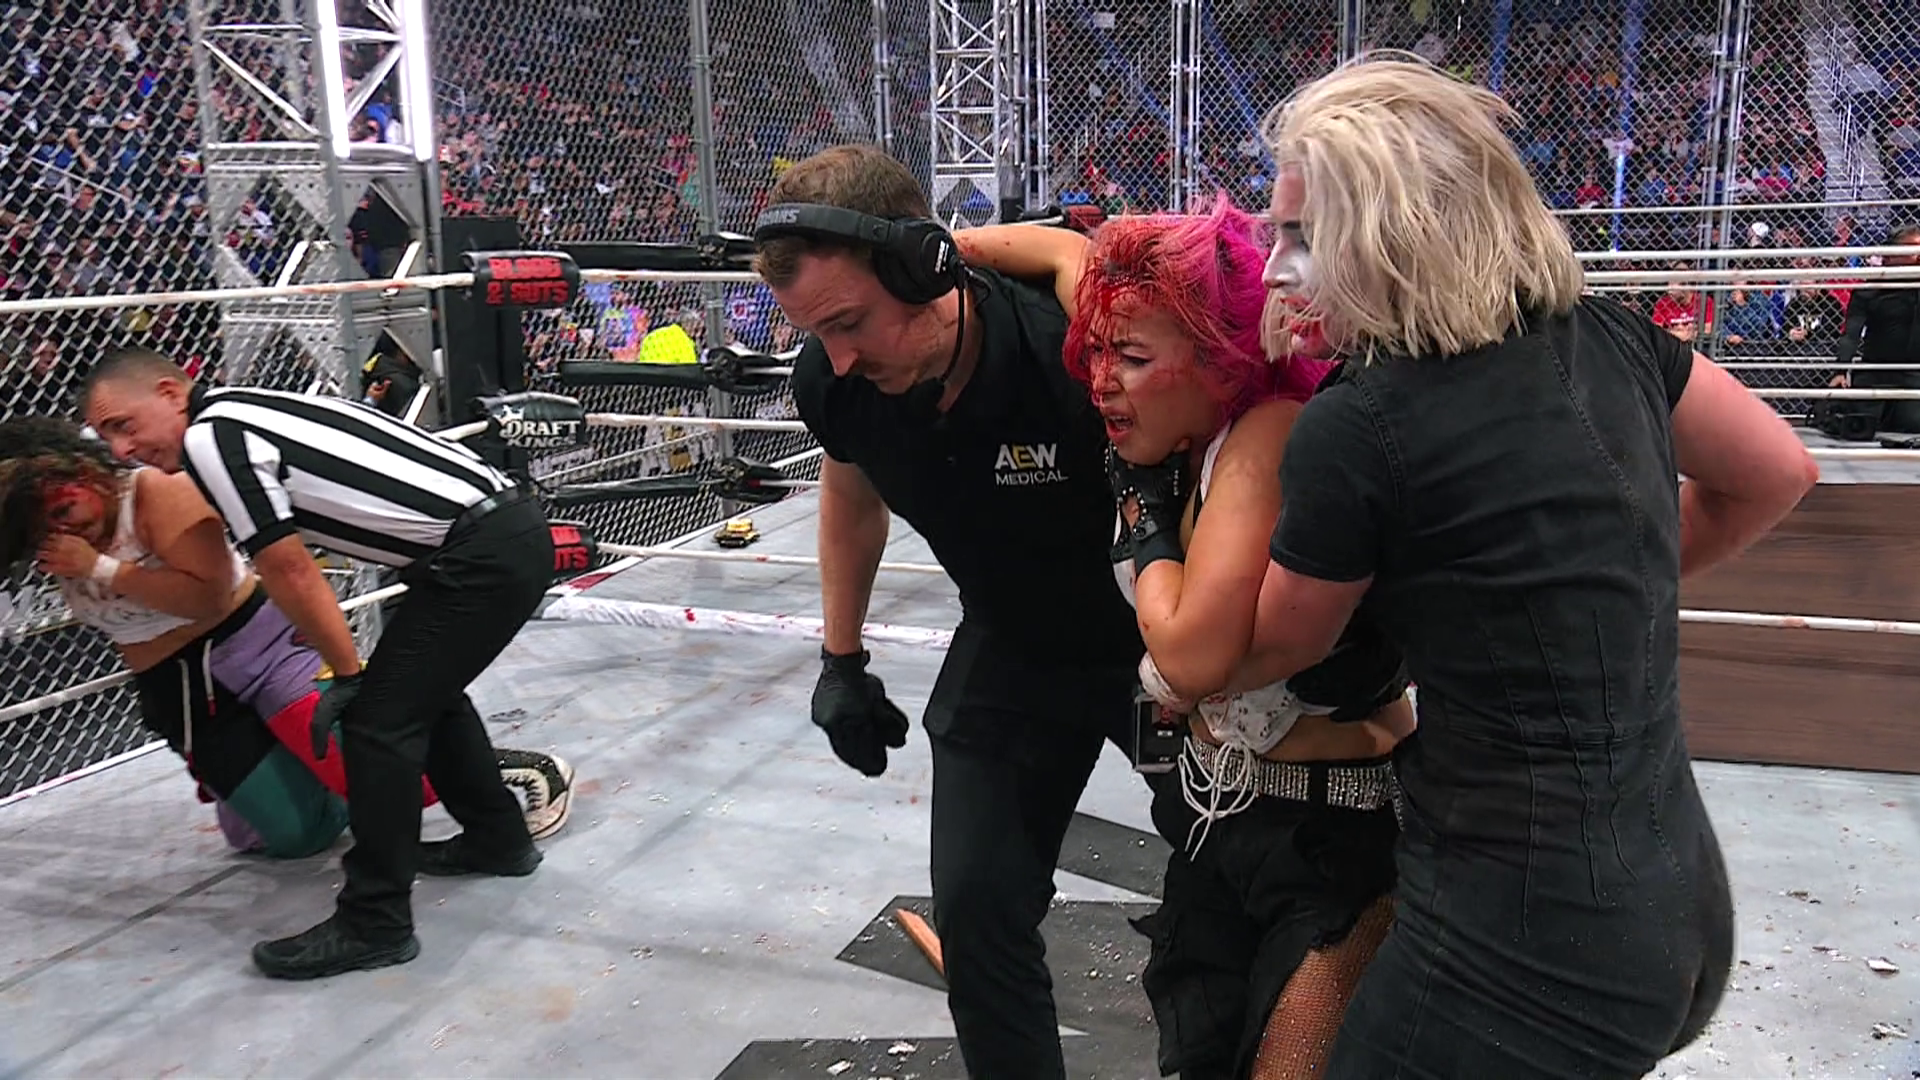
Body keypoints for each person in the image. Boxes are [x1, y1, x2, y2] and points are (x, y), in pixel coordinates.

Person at [1232, 55, 1818, 1078]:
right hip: (1675, 896)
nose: (1276, 269)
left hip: (1523, 944)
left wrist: (1154, 555)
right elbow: (1775, 472)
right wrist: (1587, 595)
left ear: (1398, 232)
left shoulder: (1362, 423)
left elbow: (1277, 645)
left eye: (1303, 237)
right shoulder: (1612, 337)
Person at [956, 201, 1414, 1079]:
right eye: (1094, 351)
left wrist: (1144, 512)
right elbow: (1068, 257)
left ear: (1223, 359)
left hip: (1331, 839)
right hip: (1222, 818)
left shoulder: (1266, 431)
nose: (1101, 379)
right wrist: (940, 249)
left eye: (1130, 359)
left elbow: (1190, 657)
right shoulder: (1188, 418)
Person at [756, 143, 1143, 1079]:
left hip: (1158, 644)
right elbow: (851, 491)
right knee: (975, 907)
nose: (840, 359)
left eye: (850, 322)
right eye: (817, 333)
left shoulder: (1067, 351)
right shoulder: (837, 382)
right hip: (1013, 638)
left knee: (1245, 897)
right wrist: (840, 660)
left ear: (923, 270)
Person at [81, 347, 555, 980]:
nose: (121, 449)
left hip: (480, 552)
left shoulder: (211, 437)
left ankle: (375, 922)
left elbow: (288, 568)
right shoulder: (243, 410)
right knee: (424, 697)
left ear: (170, 393)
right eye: (106, 436)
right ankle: (498, 839)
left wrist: (346, 671)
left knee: (377, 724)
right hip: (495, 536)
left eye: (124, 425)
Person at [0, 416, 574, 859]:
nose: (61, 529)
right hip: (183, 692)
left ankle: (502, 768)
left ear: (82, 472)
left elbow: (206, 598)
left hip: (261, 649)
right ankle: (320, 775)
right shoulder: (44, 537)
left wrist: (100, 568)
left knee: (391, 778)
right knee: (292, 838)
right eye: (39, 530)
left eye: (63, 509)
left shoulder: (154, 493)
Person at [1826, 224, 1920, 433]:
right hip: (1876, 370)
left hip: (1914, 373)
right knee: (1861, 426)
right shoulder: (1870, 290)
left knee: (1911, 425)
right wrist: (1840, 369)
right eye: (1913, 249)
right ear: (1892, 254)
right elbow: (1851, 333)